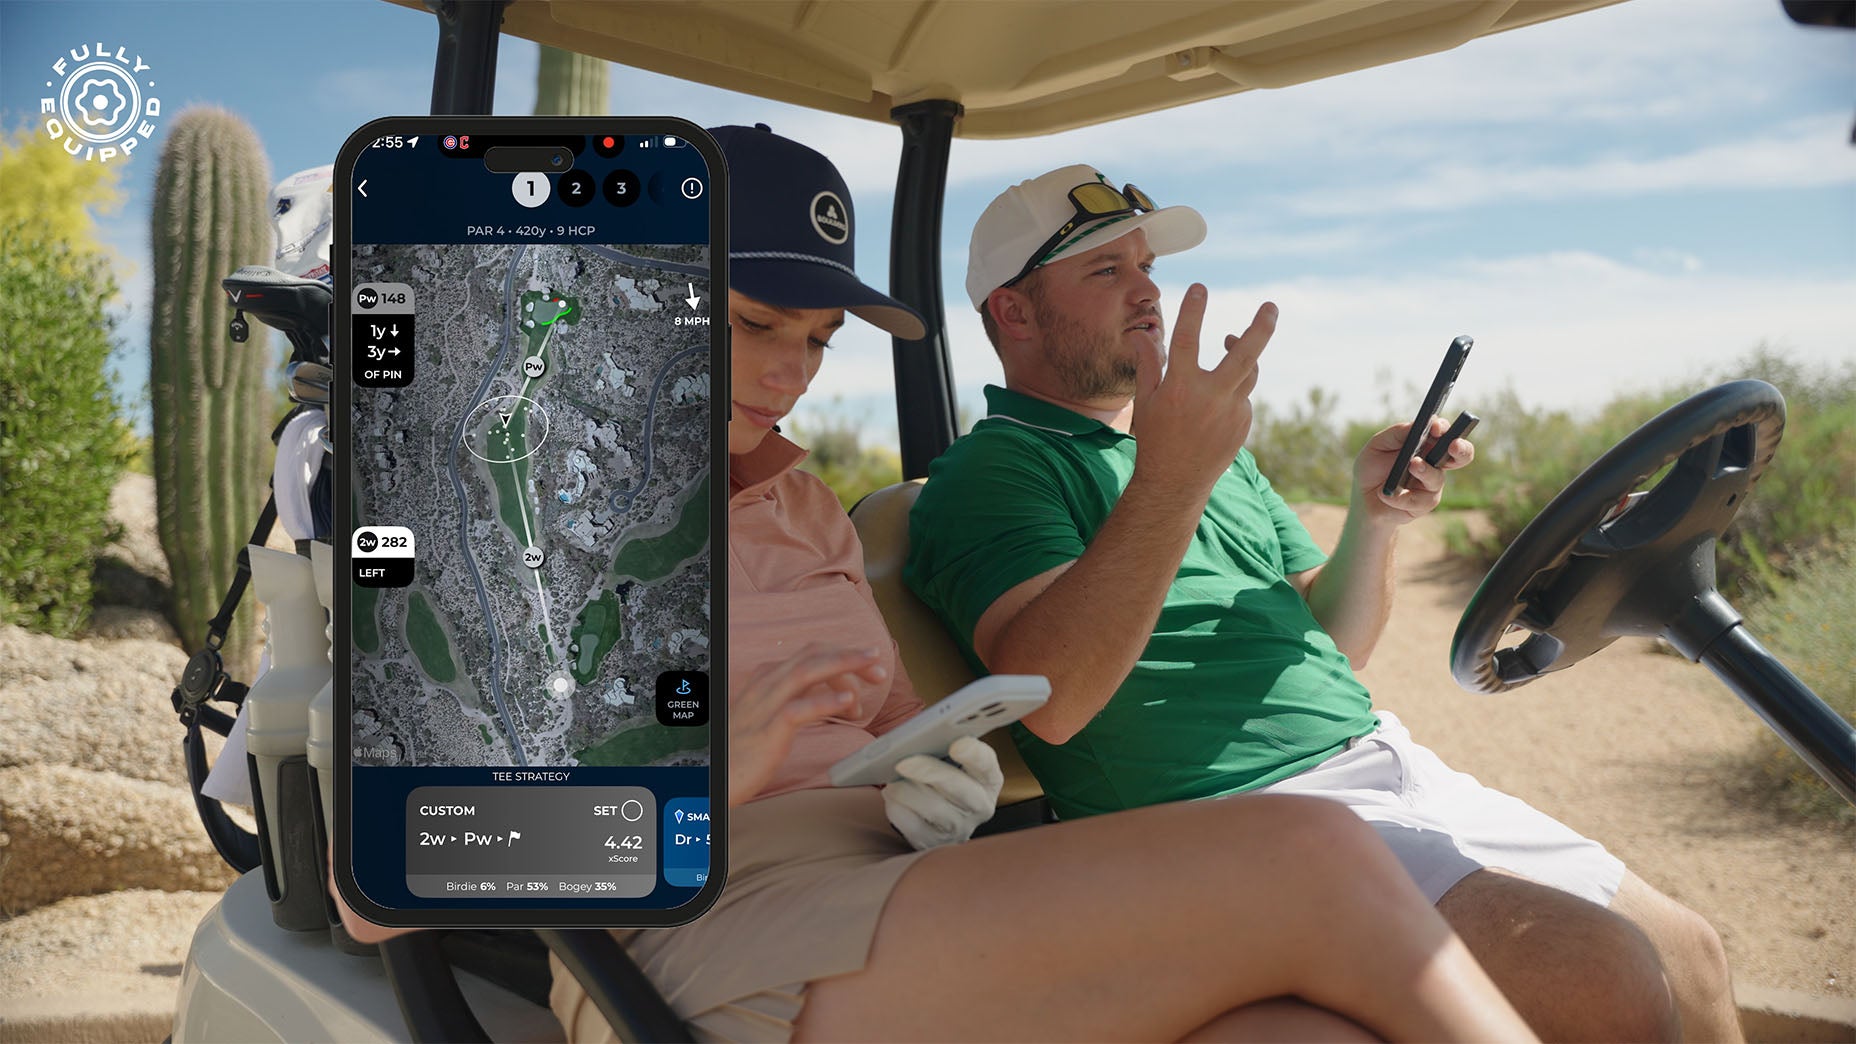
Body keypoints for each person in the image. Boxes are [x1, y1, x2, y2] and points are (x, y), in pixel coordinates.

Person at [342, 126, 1537, 1043]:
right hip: (704, 933)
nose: (791, 374)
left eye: (816, 341)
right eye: (758, 322)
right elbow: (380, 887)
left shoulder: (795, 502)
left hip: (899, 880)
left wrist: (929, 768)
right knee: (1312, 858)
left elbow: (861, 725)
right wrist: (704, 780)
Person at [902, 164, 1740, 1043]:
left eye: (1145, 265)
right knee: (1600, 979)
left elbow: (1336, 643)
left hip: (1383, 767)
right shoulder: (994, 472)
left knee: (1692, 954)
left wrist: (1373, 519)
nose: (1148, 291)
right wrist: (1173, 474)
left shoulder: (1198, 449)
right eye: (1105, 272)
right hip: (1224, 824)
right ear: (1016, 312)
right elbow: (1057, 699)